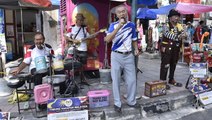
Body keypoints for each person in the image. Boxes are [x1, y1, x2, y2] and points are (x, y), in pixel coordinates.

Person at [12, 32, 66, 109]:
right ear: (34, 41)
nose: (38, 41)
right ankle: (41, 100)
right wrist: (18, 69)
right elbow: (26, 61)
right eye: (37, 40)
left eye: (40, 39)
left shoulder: (48, 47)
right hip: (35, 68)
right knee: (38, 75)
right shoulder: (31, 49)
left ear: (43, 40)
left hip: (47, 67)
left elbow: (53, 58)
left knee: (60, 71)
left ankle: (63, 94)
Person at [104, 5, 140, 113]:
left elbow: (134, 39)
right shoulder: (113, 25)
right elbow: (107, 39)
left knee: (132, 80)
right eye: (119, 12)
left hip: (129, 55)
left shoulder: (131, 25)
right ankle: (117, 103)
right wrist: (119, 27)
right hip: (116, 56)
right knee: (116, 80)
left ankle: (131, 101)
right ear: (117, 15)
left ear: (126, 12)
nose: (122, 14)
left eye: (123, 11)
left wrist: (136, 48)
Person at [64, 13, 99, 86]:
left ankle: (82, 79)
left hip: (83, 48)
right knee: (74, 64)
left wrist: (94, 35)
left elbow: (89, 36)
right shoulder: (72, 27)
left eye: (81, 20)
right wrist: (73, 40)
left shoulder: (84, 28)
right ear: (76, 20)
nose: (80, 21)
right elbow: (66, 37)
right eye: (79, 19)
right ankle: (72, 79)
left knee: (83, 65)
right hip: (75, 48)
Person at [160, 9, 186, 90]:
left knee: (173, 64)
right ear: (170, 17)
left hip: (176, 49)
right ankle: (163, 81)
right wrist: (178, 37)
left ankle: (171, 79)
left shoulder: (180, 26)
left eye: (178, 16)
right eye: (175, 16)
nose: (177, 18)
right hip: (167, 48)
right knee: (165, 65)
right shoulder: (165, 25)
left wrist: (184, 35)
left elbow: (184, 34)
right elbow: (167, 34)